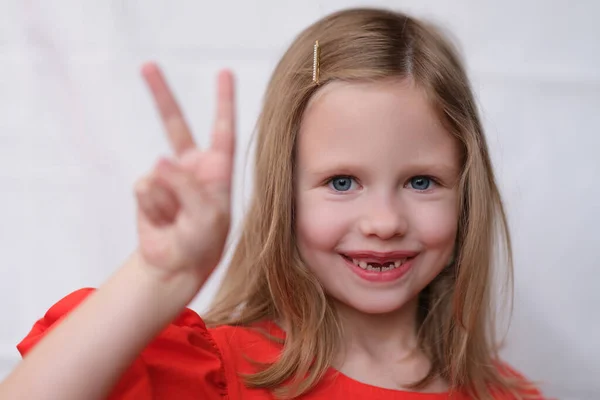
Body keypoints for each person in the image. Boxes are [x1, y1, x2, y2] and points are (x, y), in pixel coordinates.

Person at [0, 7, 544, 400]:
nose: (384, 222)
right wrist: (157, 275)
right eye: (341, 182)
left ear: (467, 193)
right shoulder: (218, 373)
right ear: (283, 194)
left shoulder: (510, 395)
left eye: (421, 182)